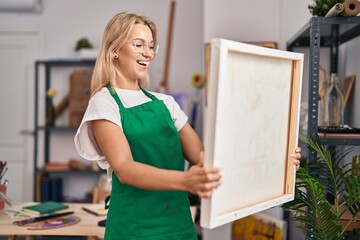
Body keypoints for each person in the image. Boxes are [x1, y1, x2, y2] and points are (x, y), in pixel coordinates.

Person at [74, 12, 302, 240]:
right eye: (138, 44)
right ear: (114, 49)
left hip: (179, 226)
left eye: (152, 46)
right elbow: (124, 168)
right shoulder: (104, 103)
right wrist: (185, 181)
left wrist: (276, 162)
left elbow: (204, 158)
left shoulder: (166, 103)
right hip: (134, 228)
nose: (148, 53)